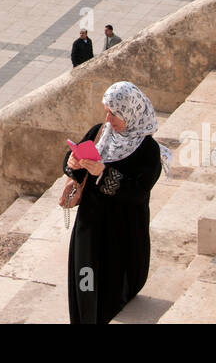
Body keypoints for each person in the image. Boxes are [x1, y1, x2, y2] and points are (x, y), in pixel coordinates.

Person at [63, 81, 168, 325]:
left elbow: (138, 193)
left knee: (111, 287)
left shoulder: (148, 151)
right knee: (84, 279)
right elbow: (78, 171)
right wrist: (73, 164)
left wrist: (103, 173)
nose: (108, 119)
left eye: (114, 113)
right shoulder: (99, 133)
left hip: (121, 232)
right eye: (107, 111)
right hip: (90, 225)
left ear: (131, 113)